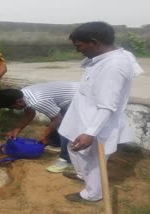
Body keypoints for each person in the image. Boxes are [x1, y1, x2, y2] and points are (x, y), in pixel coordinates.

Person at [58, 22, 143, 202]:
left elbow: (107, 105)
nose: (77, 51)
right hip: (83, 115)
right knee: (75, 150)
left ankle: (92, 194)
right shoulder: (111, 57)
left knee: (93, 160)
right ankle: (83, 175)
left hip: (94, 122)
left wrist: (90, 133)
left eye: (79, 46)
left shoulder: (113, 66)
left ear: (94, 42)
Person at [0, 82, 79, 172]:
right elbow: (30, 113)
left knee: (65, 128)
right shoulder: (23, 94)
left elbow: (57, 119)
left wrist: (45, 135)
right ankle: (56, 143)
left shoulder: (37, 101)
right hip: (71, 97)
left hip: (83, 98)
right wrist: (16, 129)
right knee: (60, 121)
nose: (12, 110)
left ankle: (66, 160)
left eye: (12, 107)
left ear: (19, 102)